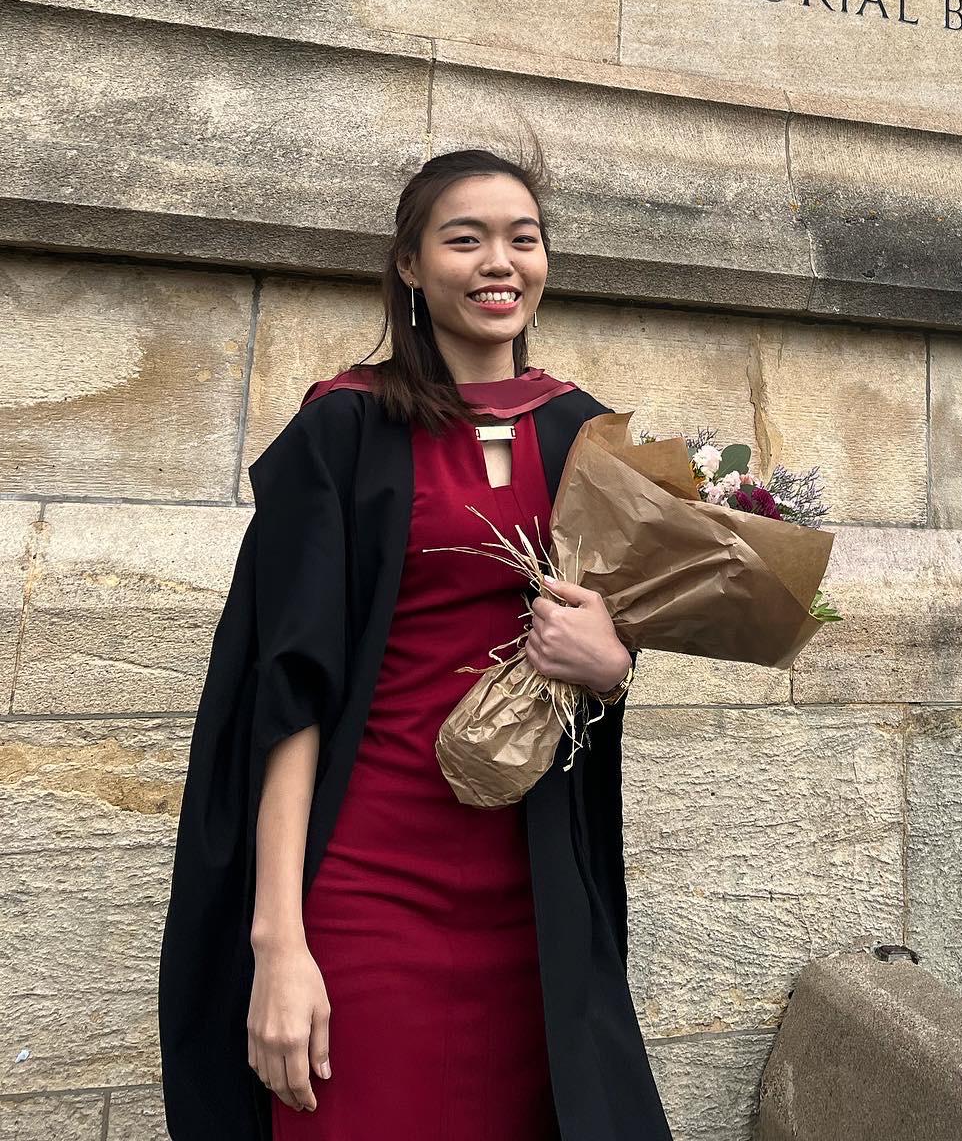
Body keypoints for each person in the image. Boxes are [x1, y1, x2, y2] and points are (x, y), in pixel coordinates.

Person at [158, 146, 673, 1141]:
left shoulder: (588, 437)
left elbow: (605, 648)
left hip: (533, 895)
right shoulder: (344, 430)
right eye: (464, 237)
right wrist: (278, 940)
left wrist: (611, 666)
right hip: (366, 878)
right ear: (408, 264)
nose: (499, 261)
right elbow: (289, 694)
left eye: (522, 238)